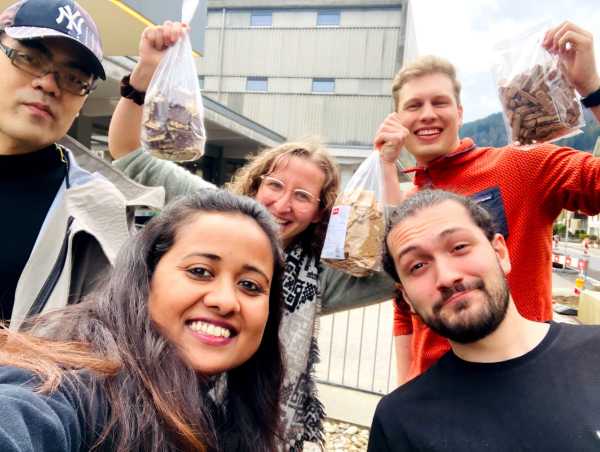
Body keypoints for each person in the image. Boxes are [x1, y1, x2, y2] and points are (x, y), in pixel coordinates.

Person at [107, 22, 396, 451]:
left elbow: (398, 263)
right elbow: (129, 153)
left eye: (302, 196)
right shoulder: (211, 212)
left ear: (320, 212)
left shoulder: (320, 273)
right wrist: (144, 75)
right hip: (170, 416)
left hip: (265, 431)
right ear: (256, 183)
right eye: (275, 186)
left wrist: (388, 166)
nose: (282, 204)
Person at [374, 21, 600, 384]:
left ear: (460, 114)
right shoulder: (409, 204)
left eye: (440, 102)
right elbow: (403, 309)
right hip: (437, 398)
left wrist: (592, 89)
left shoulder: (523, 163)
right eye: (414, 105)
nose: (428, 114)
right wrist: (404, 392)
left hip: (526, 384)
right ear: (398, 119)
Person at [0, 189, 285, 452]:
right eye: (200, 271)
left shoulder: (217, 415)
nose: (225, 301)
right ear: (146, 277)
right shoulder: (70, 387)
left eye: (250, 285)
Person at [368, 189, 600, 451]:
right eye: (417, 266)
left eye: (459, 247)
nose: (446, 277)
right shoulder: (399, 422)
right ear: (406, 297)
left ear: (500, 252)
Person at [0, 0, 164, 328]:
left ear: (82, 101)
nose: (48, 84)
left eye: (74, 78)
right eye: (30, 58)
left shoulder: (105, 219)